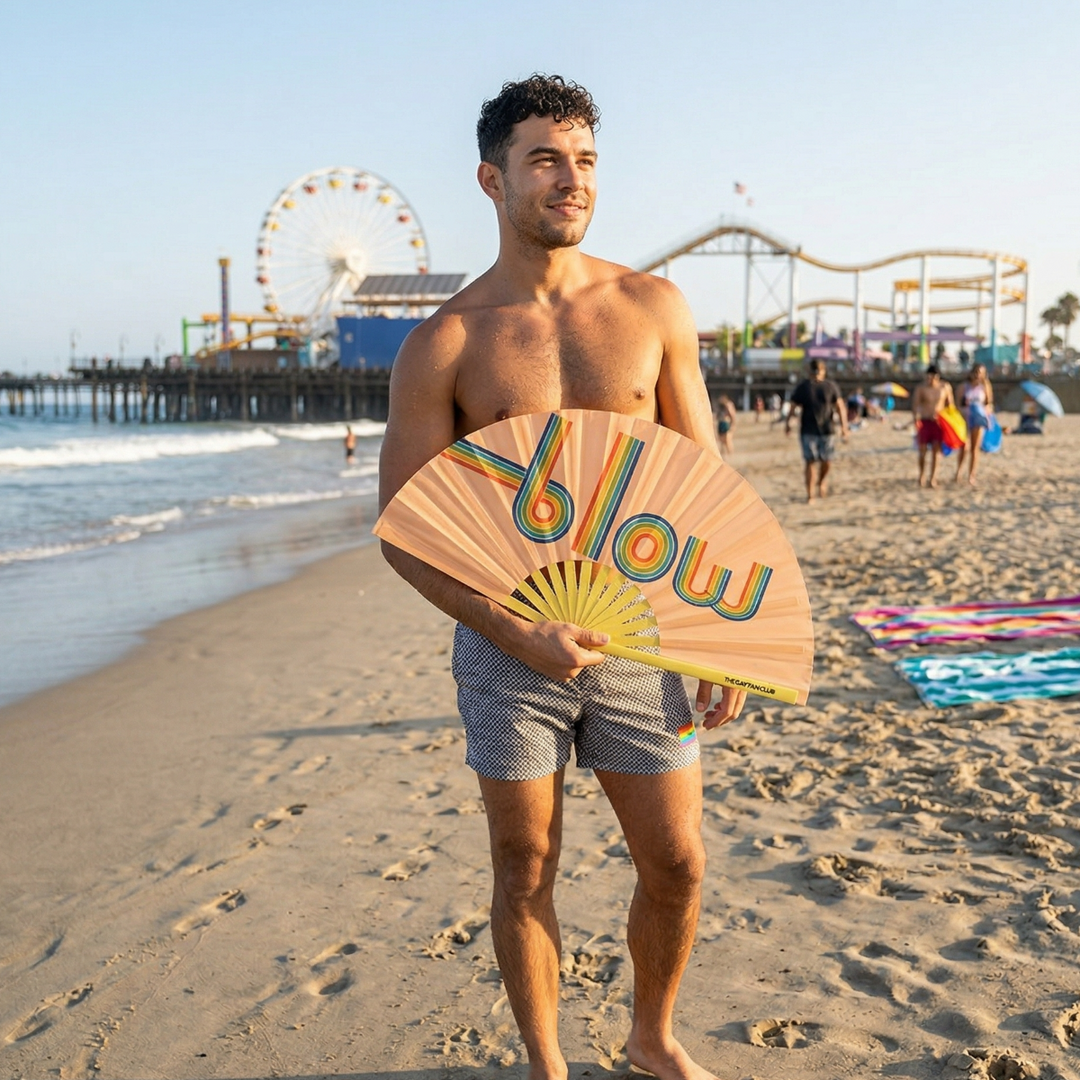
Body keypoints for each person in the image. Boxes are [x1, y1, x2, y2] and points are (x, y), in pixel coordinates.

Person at [378, 74, 747, 1080]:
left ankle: (650, 1038)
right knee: (525, 865)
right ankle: (547, 1065)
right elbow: (404, 531)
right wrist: (510, 631)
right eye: (545, 160)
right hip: (510, 640)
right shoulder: (445, 343)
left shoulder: (653, 308)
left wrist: (720, 632)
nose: (570, 180)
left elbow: (701, 480)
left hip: (646, 628)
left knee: (676, 863)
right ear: (492, 179)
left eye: (584, 161)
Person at [784, 359, 848, 502]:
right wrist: (787, 424)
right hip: (808, 430)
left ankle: (821, 482)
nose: (816, 374)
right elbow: (793, 407)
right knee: (810, 462)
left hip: (827, 429)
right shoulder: (803, 387)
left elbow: (840, 407)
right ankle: (810, 494)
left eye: (818, 371)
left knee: (827, 461)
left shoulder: (830, 386)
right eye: (815, 371)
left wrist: (844, 427)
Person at [911, 364, 955, 488]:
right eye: (929, 377)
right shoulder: (921, 388)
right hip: (925, 420)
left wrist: (951, 421)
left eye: (933, 377)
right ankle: (921, 475)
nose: (931, 380)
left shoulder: (945, 387)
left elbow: (950, 405)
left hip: (939, 422)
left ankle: (933, 478)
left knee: (936, 451)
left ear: (938, 377)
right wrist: (916, 419)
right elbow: (916, 404)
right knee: (922, 451)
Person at [954, 363, 993, 485]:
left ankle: (971, 475)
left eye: (980, 373)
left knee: (975, 449)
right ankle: (959, 472)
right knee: (964, 447)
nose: (977, 375)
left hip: (979, 419)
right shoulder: (963, 387)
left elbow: (989, 404)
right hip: (965, 418)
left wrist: (985, 411)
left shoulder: (985, 387)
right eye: (976, 372)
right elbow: (957, 405)